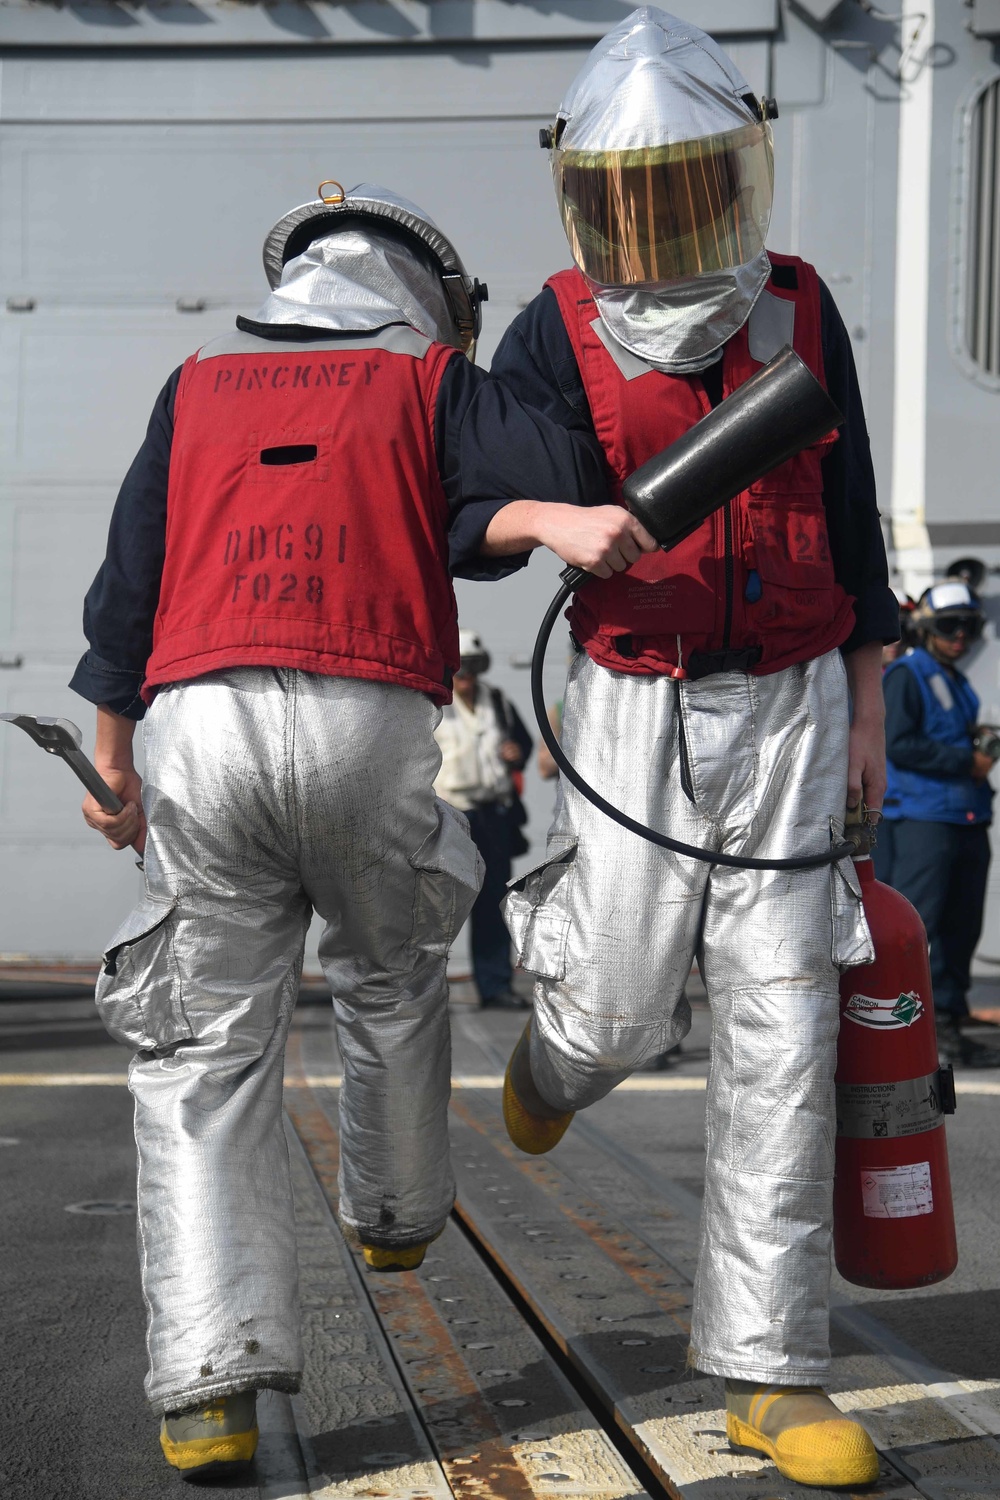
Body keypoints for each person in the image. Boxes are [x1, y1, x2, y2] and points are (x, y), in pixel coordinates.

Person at [70, 181, 645, 1480]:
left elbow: (128, 582)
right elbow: (565, 476)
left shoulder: (197, 381)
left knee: (205, 1050)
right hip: (367, 712)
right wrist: (509, 511)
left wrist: (117, 773)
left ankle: (211, 1388)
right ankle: (391, 1216)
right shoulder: (430, 377)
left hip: (196, 722)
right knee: (390, 969)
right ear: (422, 289)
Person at [466, 9, 898, 1488]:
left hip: (792, 696)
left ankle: (774, 1371)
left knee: (786, 1023)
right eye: (635, 195)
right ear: (590, 198)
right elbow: (473, 512)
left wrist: (872, 689)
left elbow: (855, 520)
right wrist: (553, 519)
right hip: (634, 692)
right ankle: (559, 1036)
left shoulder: (795, 305)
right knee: (626, 1006)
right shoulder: (551, 327)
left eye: (692, 182)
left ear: (741, 174)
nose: (665, 221)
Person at [877, 581, 999, 1065]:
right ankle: (903, 1029)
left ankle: (946, 1026)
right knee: (919, 927)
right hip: (924, 820)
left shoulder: (950, 678)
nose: (961, 637)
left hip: (963, 818)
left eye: (969, 626)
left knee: (960, 929)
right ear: (926, 629)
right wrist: (964, 761)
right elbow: (897, 743)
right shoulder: (908, 675)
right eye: (950, 626)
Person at [434, 629, 533, 1007]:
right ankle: (421, 988)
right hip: (447, 815)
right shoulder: (434, 705)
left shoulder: (498, 702)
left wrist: (515, 752)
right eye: (460, 671)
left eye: (472, 670)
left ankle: (495, 986)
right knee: (436, 905)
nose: (466, 679)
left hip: (493, 817)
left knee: (494, 903)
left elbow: (521, 743)